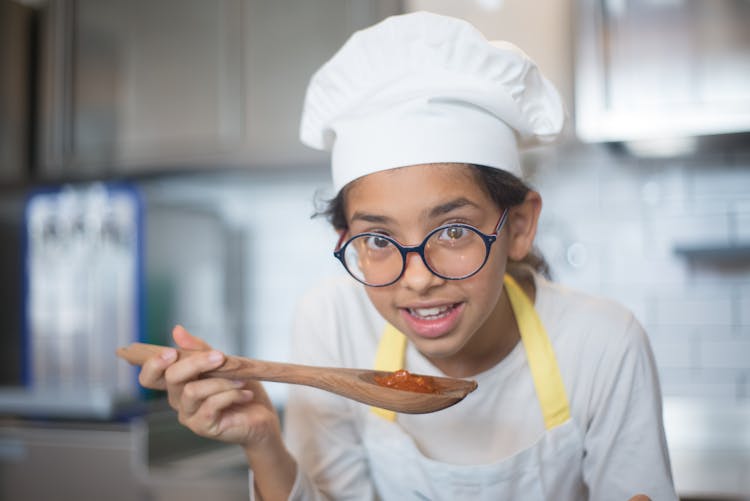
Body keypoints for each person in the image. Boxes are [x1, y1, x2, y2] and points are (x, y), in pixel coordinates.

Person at [136, 11, 677, 501]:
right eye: (377, 241)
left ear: (518, 227)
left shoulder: (603, 344)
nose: (416, 280)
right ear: (345, 238)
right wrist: (262, 444)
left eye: (454, 231)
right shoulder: (333, 321)